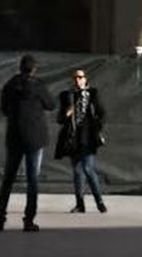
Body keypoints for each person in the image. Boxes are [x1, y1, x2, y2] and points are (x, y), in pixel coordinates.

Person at [0, 54, 54, 232]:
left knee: (8, 179)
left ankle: (0, 218)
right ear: (34, 69)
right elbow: (51, 104)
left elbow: (4, 109)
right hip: (35, 137)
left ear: (20, 67)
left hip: (14, 136)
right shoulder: (39, 85)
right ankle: (28, 220)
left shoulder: (10, 85)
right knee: (32, 180)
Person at [57, 65, 108, 215]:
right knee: (77, 171)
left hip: (88, 137)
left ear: (85, 79)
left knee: (88, 169)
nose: (77, 80)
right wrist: (67, 113)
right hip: (73, 137)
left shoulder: (92, 93)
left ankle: (99, 201)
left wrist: (97, 129)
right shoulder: (67, 95)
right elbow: (60, 119)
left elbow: (101, 113)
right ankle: (80, 204)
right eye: (75, 78)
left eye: (80, 77)